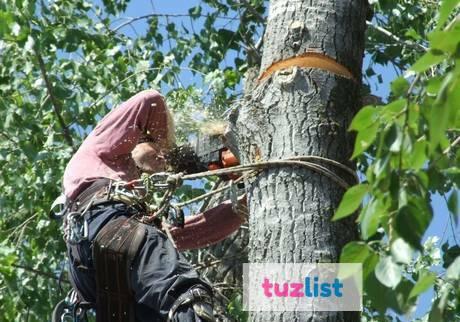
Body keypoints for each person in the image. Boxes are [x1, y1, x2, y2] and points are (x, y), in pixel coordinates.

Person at [60, 90, 246, 322]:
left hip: (104, 285)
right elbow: (150, 100)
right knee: (186, 299)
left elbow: (183, 235)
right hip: (100, 233)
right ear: (135, 141)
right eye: (154, 147)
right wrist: (173, 155)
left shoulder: (133, 210)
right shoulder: (100, 153)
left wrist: (240, 208)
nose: (160, 156)